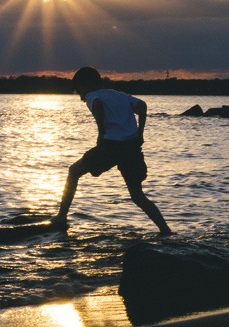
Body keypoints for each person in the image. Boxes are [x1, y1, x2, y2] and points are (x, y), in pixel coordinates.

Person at [51, 66, 173, 235]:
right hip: (131, 148)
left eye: (79, 91)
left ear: (85, 85)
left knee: (73, 172)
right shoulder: (119, 95)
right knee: (137, 195)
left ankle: (61, 217)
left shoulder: (92, 96)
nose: (80, 96)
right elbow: (142, 106)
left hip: (110, 146)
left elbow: (98, 105)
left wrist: (101, 133)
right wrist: (140, 134)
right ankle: (165, 230)